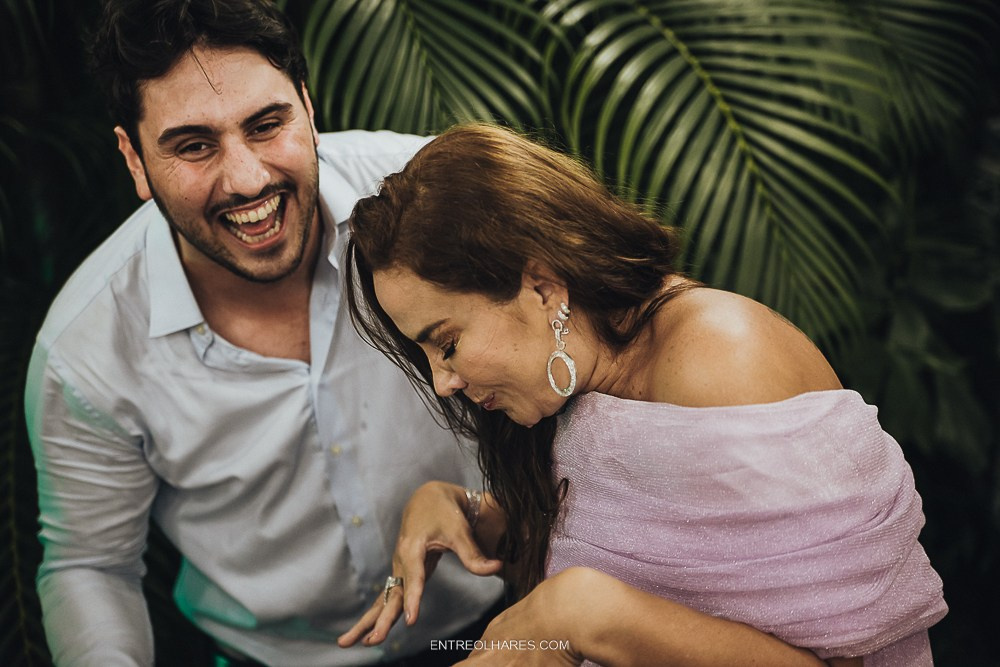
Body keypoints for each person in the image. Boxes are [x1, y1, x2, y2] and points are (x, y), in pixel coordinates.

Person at [339, 123, 948, 665]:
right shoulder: (578, 383)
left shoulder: (721, 360)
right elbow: (631, 550)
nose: (442, 381)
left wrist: (583, 615)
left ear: (543, 288)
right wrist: (466, 510)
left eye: (446, 343)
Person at [24, 1, 504, 665]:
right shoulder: (86, 350)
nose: (248, 179)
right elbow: (92, 565)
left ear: (307, 107)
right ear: (134, 159)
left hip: (511, 626)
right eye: (194, 146)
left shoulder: (434, 197)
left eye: (266, 125)